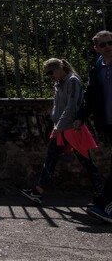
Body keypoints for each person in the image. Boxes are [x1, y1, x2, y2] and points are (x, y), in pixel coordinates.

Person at [20, 58, 102, 205]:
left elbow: (71, 106)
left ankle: (102, 194)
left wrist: (59, 125)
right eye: (47, 74)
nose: (50, 76)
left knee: (86, 161)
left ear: (59, 68)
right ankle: (38, 191)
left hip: (71, 128)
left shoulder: (72, 81)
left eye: (50, 72)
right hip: (62, 127)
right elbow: (59, 105)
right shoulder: (60, 83)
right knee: (51, 157)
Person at [74, 30, 112, 222]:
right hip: (108, 122)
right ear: (96, 49)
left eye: (110, 42)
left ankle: (104, 203)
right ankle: (103, 203)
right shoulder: (97, 69)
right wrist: (80, 117)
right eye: (103, 44)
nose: (108, 47)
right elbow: (90, 97)